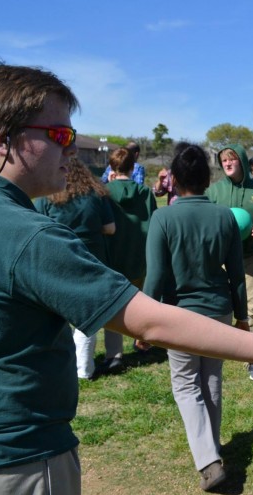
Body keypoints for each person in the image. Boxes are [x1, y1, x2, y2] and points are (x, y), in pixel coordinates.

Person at [0, 62, 253, 495]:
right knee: (206, 385)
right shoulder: (25, 235)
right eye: (59, 135)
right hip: (18, 461)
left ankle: (207, 454)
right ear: (2, 139)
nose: (71, 150)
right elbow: (147, 320)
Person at [143, 142, 249, 491]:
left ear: (173, 179)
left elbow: (155, 277)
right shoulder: (225, 216)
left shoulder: (163, 217)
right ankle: (212, 449)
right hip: (218, 309)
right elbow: (236, 273)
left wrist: (141, 321)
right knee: (211, 380)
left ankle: (207, 460)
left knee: (187, 385)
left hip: (180, 315)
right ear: (207, 178)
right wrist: (243, 316)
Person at [34, 157, 116, 380]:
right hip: (92, 261)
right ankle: (84, 369)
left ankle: (57, 365)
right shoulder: (97, 194)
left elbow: (36, 227)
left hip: (56, 260)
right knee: (86, 318)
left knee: (55, 317)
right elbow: (110, 228)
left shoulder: (48, 196)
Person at [207, 144, 253, 381]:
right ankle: (217, 349)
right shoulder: (214, 191)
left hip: (251, 256)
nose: (227, 163)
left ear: (242, 162)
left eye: (232, 159)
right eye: (224, 160)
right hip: (220, 257)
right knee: (219, 305)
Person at [102, 147, 158, 372]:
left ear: (112, 168)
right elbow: (155, 224)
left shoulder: (103, 192)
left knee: (113, 308)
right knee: (142, 303)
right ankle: (142, 341)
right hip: (139, 254)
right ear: (133, 168)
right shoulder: (145, 193)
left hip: (112, 256)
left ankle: (114, 355)